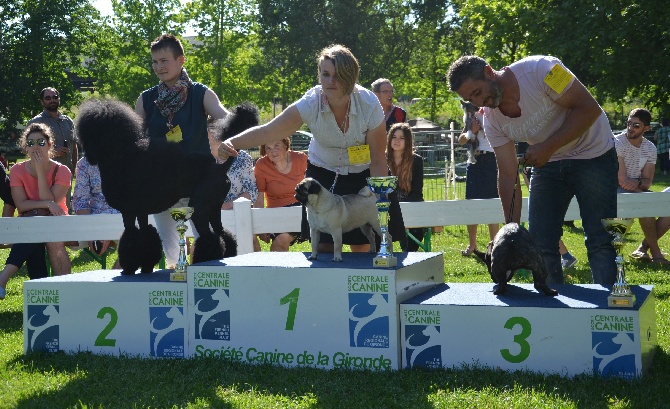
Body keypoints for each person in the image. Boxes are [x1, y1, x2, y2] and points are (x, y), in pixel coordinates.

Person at [448, 55, 617, 286]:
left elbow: (589, 109)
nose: (479, 104)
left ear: (489, 71)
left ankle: (608, 313)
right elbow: (508, 175)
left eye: (477, 93)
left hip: (593, 154)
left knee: (600, 241)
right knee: (540, 244)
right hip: (547, 162)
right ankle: (552, 311)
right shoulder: (492, 121)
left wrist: (548, 147)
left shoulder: (543, 70)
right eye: (470, 99)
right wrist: (510, 230)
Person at [218, 44, 388, 255]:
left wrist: (380, 199)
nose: (330, 81)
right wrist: (232, 142)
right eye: (325, 74)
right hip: (323, 173)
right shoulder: (310, 102)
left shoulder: (369, 104)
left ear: (351, 77)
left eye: (338, 75)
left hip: (361, 173)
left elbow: (379, 160)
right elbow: (268, 132)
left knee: (362, 244)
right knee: (324, 245)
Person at [135, 33, 229, 268]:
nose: (159, 67)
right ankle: (175, 287)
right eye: (155, 62)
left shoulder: (201, 93)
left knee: (205, 239)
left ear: (181, 60)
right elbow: (133, 140)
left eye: (164, 60)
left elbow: (226, 120)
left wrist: (233, 138)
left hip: (198, 182)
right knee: (170, 246)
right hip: (161, 185)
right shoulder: (145, 99)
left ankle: (209, 288)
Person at [0, 124, 71, 299]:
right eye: (30, 143)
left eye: (40, 142)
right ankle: (43, 294)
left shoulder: (62, 171)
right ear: (25, 147)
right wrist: (47, 203)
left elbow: (54, 204)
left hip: (56, 223)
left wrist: (40, 171)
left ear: (49, 144)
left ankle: (3, 278)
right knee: (34, 233)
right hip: (29, 221)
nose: (35, 147)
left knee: (35, 230)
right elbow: (22, 205)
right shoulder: (17, 170)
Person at [615, 108, 668, 265]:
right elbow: (622, 180)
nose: (630, 128)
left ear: (646, 128)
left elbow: (647, 181)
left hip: (636, 190)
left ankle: (643, 248)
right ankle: (656, 253)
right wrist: (642, 189)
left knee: (665, 201)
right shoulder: (617, 142)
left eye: (636, 125)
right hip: (614, 190)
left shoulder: (650, 148)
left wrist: (639, 184)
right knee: (646, 202)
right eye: (629, 123)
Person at [457, 105, 500, 256]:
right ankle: (472, 245)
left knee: (491, 202)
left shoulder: (493, 110)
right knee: (471, 203)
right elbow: (461, 140)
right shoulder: (470, 115)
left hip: (491, 159)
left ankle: (494, 245)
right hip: (474, 160)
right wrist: (471, 132)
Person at [254, 137, 309, 251]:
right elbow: (259, 198)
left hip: (300, 211)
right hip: (276, 213)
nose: (273, 151)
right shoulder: (261, 165)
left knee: (283, 238)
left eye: (277, 146)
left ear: (286, 145)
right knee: (280, 241)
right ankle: (273, 268)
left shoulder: (301, 159)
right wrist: (261, 226)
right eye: (268, 148)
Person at [27, 87, 77, 210]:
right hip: (44, 175)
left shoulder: (67, 121)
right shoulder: (36, 122)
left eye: (55, 97)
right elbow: (30, 151)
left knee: (65, 209)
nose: (52, 100)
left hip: (65, 174)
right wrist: (53, 153)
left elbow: (74, 145)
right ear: (42, 101)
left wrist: (74, 167)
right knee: (45, 210)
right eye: (48, 98)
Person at [72, 155, 121, 265]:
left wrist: (109, 230)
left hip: (124, 219)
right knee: (55, 238)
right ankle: (60, 282)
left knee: (136, 241)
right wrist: (92, 231)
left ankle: (113, 282)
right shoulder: (84, 163)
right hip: (93, 220)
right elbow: (81, 202)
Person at [386, 123, 424, 251]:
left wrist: (402, 207)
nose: (397, 141)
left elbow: (417, 191)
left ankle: (409, 252)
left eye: (402, 138)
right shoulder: (381, 159)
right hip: (387, 205)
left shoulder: (417, 161)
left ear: (407, 141)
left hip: (409, 203)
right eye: (394, 137)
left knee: (414, 233)